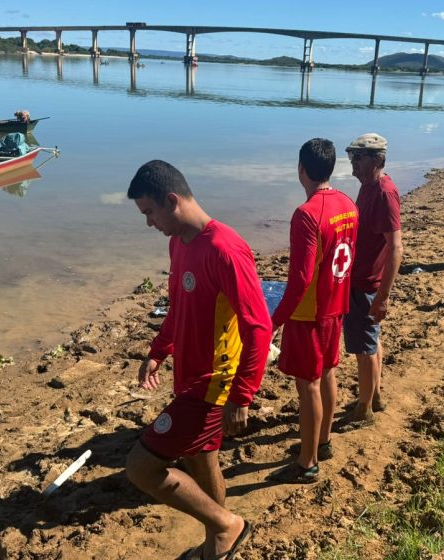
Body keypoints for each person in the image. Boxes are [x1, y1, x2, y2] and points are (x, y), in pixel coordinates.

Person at [124, 160, 271, 560]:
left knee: (140, 467)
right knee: (201, 459)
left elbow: (258, 326)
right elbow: (178, 307)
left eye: (149, 212)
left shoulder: (225, 249)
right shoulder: (179, 242)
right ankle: (217, 544)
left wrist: (242, 395)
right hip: (188, 376)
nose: (149, 223)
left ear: (171, 200)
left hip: (213, 383)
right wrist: (159, 351)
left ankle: (227, 527)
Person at [267, 138, 359, 483]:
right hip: (336, 306)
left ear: (301, 169)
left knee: (308, 384)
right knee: (328, 373)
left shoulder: (306, 215)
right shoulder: (348, 204)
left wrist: (275, 322)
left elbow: (302, 278)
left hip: (310, 314)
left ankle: (307, 463)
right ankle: (323, 441)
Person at [342, 133, 403, 427]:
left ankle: (363, 409)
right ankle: (374, 395)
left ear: (378, 160)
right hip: (362, 282)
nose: (353, 162)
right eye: (352, 156)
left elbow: (396, 247)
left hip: (367, 285)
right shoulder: (368, 187)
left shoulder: (383, 192)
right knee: (372, 342)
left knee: (363, 351)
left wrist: (383, 296)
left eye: (359, 157)